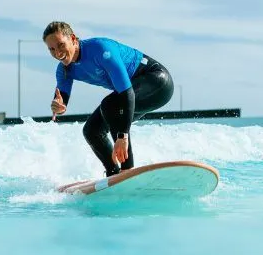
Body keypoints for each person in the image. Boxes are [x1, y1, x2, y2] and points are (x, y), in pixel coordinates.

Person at [43, 21, 174, 177]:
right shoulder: (64, 70)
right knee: (92, 131)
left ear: (72, 38)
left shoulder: (100, 49)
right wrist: (59, 107)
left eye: (61, 45)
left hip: (157, 82)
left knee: (111, 106)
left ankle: (127, 171)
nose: (58, 53)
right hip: (131, 93)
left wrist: (123, 135)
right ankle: (113, 174)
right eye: (52, 49)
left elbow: (126, 93)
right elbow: (61, 101)